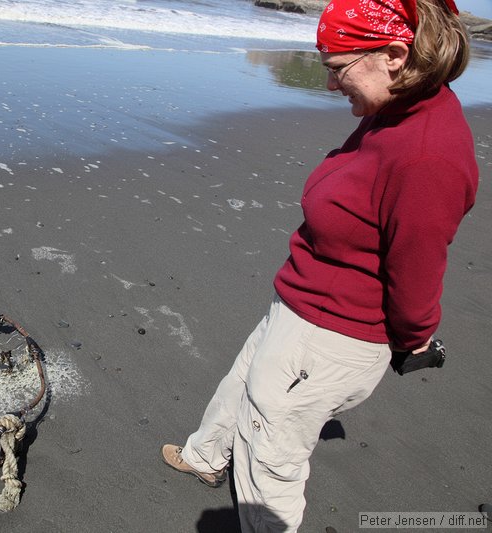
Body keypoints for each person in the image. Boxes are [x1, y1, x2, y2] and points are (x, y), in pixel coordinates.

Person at [161, 0, 478, 531]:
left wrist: (416, 338)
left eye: (337, 68)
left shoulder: (428, 156)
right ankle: (207, 456)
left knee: (270, 454)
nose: (331, 85)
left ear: (396, 54)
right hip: (303, 300)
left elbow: (417, 271)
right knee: (243, 381)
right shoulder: (396, 107)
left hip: (333, 332)